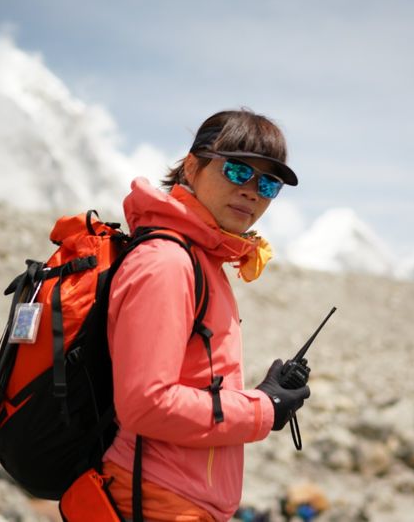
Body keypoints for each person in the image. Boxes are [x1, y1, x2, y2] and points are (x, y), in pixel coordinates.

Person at [92, 109, 311, 521]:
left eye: (268, 183)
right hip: (157, 500)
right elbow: (146, 404)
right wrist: (263, 407)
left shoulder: (202, 260)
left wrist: (266, 394)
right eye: (237, 170)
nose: (252, 191)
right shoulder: (168, 263)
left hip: (177, 499)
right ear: (192, 166)